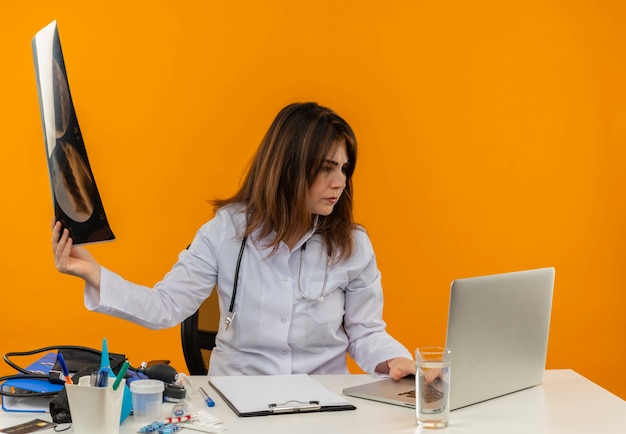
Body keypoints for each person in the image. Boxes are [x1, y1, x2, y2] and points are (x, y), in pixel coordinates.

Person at [52, 102, 416, 380]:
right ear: (288, 167)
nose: (339, 182)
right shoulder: (227, 230)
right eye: (326, 168)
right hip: (236, 407)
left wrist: (398, 361)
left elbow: (366, 332)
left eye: (343, 168)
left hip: (323, 406)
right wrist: (95, 275)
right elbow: (165, 305)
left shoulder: (351, 244)